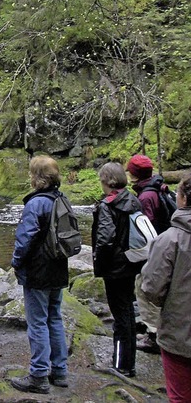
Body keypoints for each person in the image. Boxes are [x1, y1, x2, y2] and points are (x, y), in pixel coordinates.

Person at [9, 155, 70, 394]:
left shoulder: (35, 204)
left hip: (38, 271)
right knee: (54, 318)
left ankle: (38, 375)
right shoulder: (62, 199)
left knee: (37, 324)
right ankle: (60, 371)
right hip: (58, 267)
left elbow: (25, 239)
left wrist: (16, 262)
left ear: (36, 177)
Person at [141, 173, 191, 402]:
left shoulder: (170, 240)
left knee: (180, 396)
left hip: (179, 333)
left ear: (182, 199)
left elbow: (151, 287)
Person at [92, 162, 143, 378]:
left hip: (115, 267)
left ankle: (121, 365)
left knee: (120, 315)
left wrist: (99, 263)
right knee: (128, 312)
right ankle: (128, 363)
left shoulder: (108, 206)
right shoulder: (133, 200)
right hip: (132, 263)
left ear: (106, 181)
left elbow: (105, 239)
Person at [126, 154, 167, 354]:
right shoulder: (156, 187)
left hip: (153, 254)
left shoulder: (145, 196)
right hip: (161, 250)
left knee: (143, 289)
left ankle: (153, 337)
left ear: (134, 175)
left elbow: (145, 228)